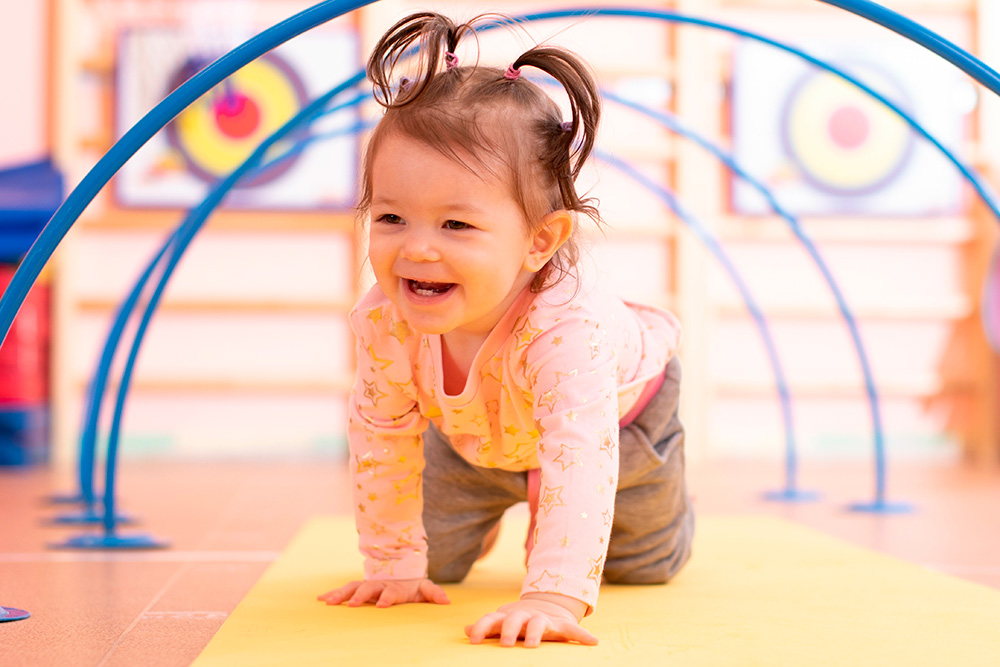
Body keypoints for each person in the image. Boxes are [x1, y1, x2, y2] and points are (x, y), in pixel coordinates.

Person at [317, 11, 694, 648]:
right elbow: (381, 434)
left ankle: (655, 509)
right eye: (390, 216)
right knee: (430, 568)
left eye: (456, 226)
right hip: (474, 439)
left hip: (621, 425)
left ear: (540, 240)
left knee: (641, 569)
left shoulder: (567, 327)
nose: (417, 250)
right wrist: (392, 563)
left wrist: (552, 595)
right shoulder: (385, 319)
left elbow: (578, 453)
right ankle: (500, 507)